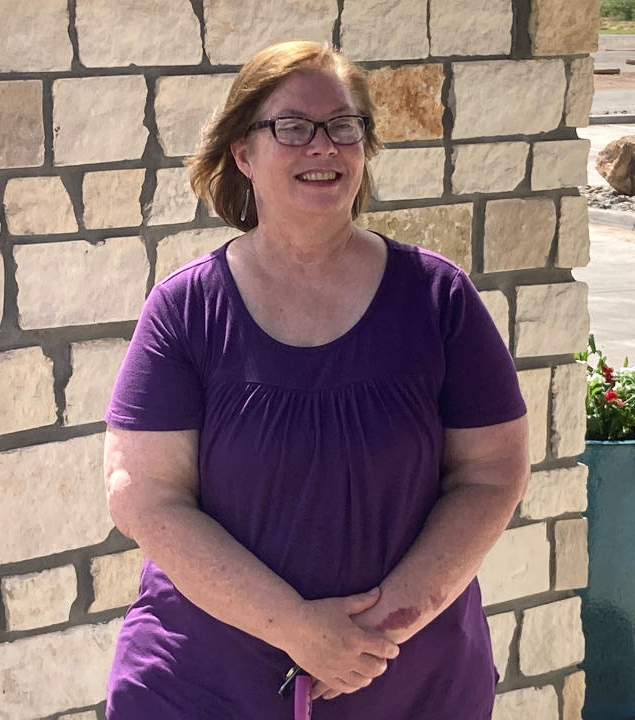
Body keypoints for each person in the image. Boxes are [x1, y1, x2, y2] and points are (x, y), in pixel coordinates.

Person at [102, 40, 529, 719]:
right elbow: (144, 497)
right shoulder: (185, 310)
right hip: (206, 683)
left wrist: (372, 635)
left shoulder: (439, 299)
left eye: (344, 125)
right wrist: (299, 629)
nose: (323, 146)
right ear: (244, 153)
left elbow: (491, 474)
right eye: (293, 127)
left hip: (411, 680)